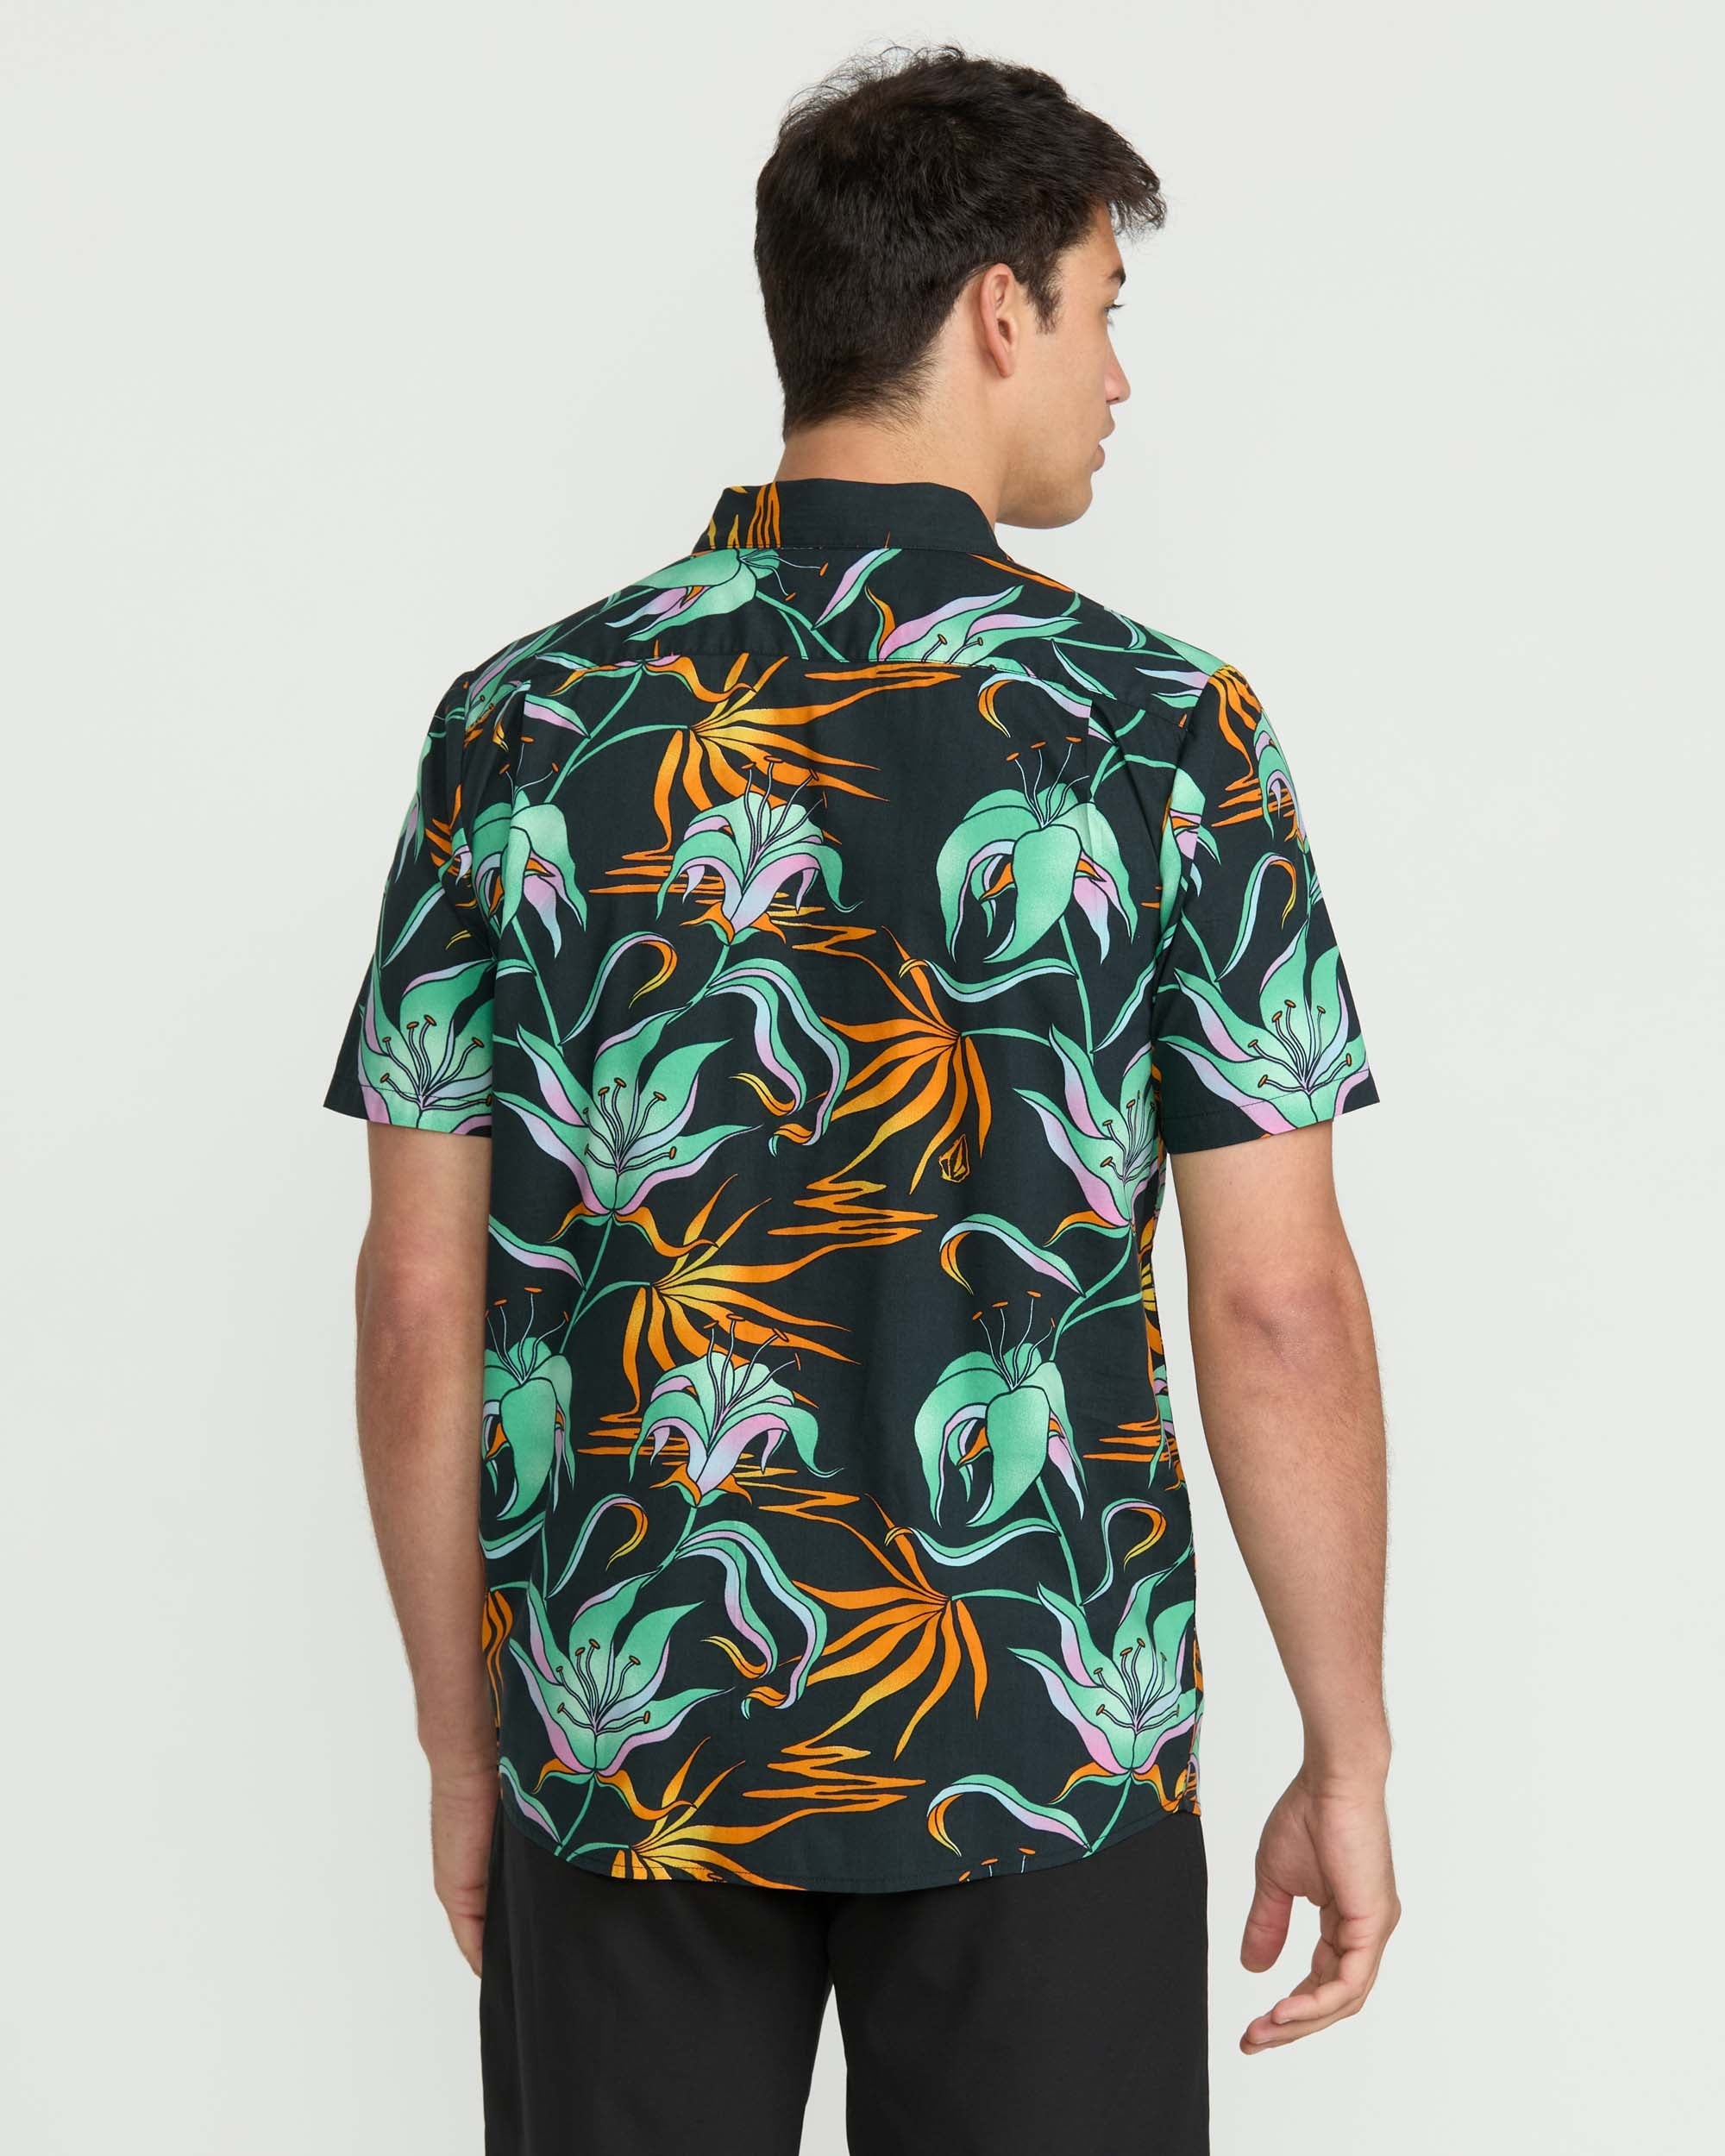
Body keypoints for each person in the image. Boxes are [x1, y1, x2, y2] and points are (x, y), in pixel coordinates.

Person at [323, 41, 1399, 2156]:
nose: (1114, 378)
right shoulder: (1164, 733)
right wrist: (1345, 1745)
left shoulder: (521, 726)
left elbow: (418, 1301)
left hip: (628, 1733)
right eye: (1100, 310)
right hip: (1042, 1725)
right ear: (998, 307)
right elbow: (1278, 1303)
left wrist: (466, 1746)